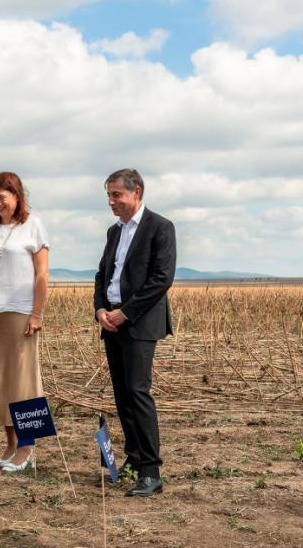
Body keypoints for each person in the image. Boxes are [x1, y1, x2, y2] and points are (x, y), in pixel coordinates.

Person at [93, 168, 176, 497]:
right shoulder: (115, 232)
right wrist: (101, 309)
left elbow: (161, 279)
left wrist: (126, 313)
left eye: (117, 195)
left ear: (136, 193)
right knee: (122, 394)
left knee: (138, 392)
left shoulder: (160, 227)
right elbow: (102, 274)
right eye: (109, 196)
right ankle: (134, 457)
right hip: (111, 322)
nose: (111, 202)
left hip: (139, 323)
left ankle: (151, 472)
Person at [0, 172, 49, 473]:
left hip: (21, 313)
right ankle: (9, 443)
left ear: (17, 195)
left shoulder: (33, 226)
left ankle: (27, 446)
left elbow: (41, 274)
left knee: (22, 381)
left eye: (2, 197)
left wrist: (36, 313)